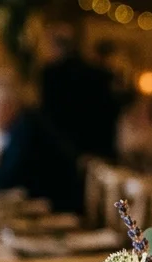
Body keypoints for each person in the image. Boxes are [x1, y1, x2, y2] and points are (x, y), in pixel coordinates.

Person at [0, 72, 81, 214]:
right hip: (40, 209)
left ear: (7, 106)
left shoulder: (26, 128)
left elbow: (5, 183)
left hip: (58, 211)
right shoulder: (12, 128)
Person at [37, 24, 119, 161]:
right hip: (95, 148)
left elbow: (48, 115)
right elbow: (108, 115)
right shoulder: (99, 73)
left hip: (60, 151)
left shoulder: (51, 74)